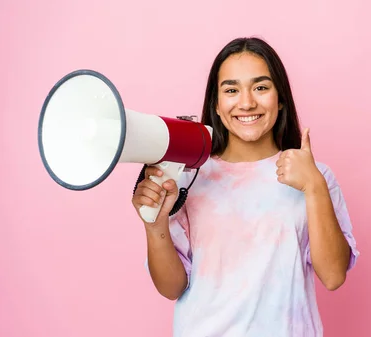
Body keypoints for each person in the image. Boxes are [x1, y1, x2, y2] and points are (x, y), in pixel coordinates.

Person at [131, 37, 359, 337]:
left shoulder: (316, 177)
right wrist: (154, 224)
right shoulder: (190, 177)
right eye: (231, 90)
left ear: (280, 99)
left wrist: (314, 186)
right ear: (216, 102)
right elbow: (172, 287)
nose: (247, 102)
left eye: (261, 87)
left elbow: (332, 276)